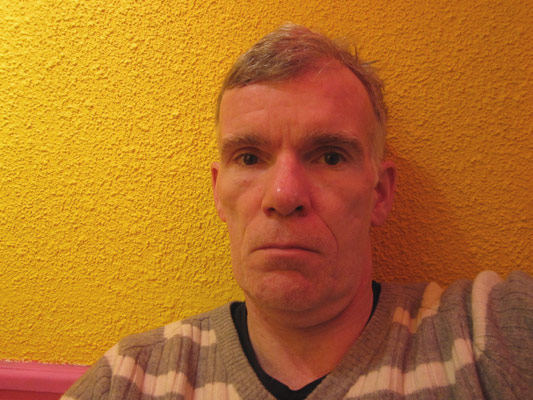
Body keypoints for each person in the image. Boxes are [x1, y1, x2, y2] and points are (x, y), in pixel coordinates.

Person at [62, 23, 532, 400]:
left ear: (380, 193)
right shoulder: (130, 380)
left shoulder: (490, 336)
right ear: (219, 192)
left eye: (329, 156)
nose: (284, 195)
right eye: (249, 157)